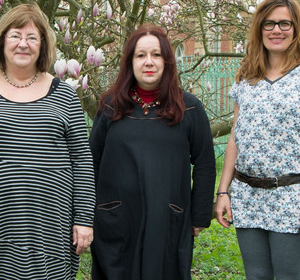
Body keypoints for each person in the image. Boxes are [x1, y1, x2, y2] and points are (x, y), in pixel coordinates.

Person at [0, 3, 95, 280]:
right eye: (15, 35)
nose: (23, 44)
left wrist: (83, 219)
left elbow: (81, 160)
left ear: (42, 46)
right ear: (2, 41)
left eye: (32, 37)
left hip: (50, 223)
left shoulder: (66, 96)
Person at [213, 0, 300, 280]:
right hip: (248, 194)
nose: (276, 30)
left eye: (284, 23)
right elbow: (235, 136)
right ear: (259, 29)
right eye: (268, 24)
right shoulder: (248, 76)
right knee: (256, 277)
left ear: (296, 28)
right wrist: (223, 191)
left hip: (293, 195)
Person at [89, 26, 215, 280]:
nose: (149, 62)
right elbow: (92, 163)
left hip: (168, 219)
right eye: (140, 55)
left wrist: (199, 216)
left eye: (156, 55)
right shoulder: (110, 106)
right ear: (130, 61)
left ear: (167, 61)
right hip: (116, 220)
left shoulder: (189, 108)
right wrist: (87, 214)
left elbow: (204, 163)